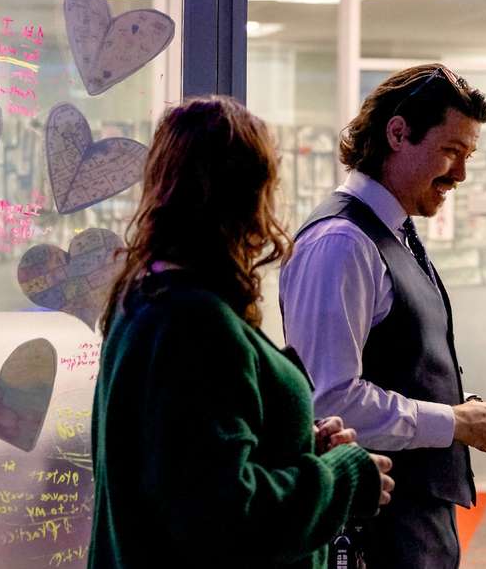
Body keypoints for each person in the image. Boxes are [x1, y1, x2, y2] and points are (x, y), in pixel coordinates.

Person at [88, 96, 393, 569]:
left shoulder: (146, 299)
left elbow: (181, 464)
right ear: (249, 195)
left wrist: (298, 445)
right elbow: (227, 516)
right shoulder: (194, 324)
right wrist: (344, 475)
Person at [280, 64, 486, 569]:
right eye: (451, 151)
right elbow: (331, 399)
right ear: (398, 133)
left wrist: (457, 405)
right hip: (375, 525)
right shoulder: (341, 243)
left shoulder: (392, 230)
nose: (460, 174)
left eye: (468, 155)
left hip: (415, 518)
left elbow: (394, 362)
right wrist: (451, 421)